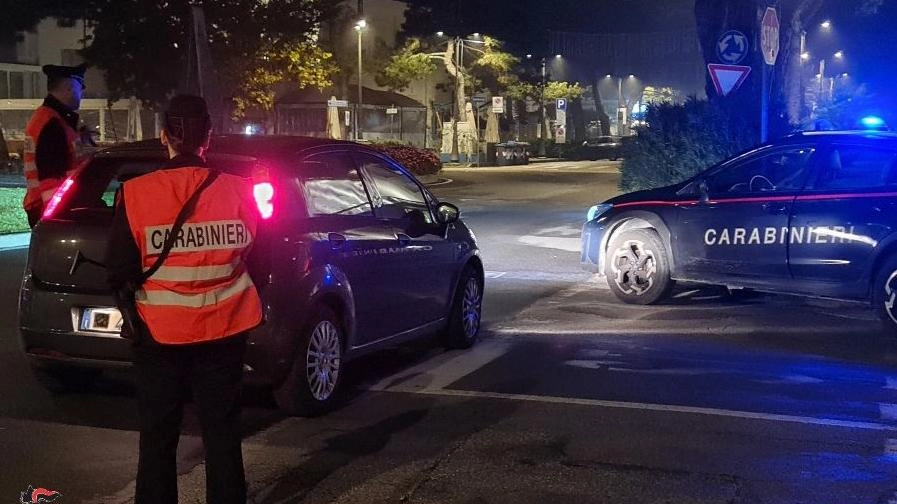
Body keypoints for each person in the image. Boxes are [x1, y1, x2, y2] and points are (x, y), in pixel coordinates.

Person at [106, 95, 266, 504]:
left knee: (159, 435)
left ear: (165, 136)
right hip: (225, 328)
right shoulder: (240, 191)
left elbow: (119, 270)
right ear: (207, 138)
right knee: (222, 431)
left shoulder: (136, 193)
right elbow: (258, 257)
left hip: (159, 334)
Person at [22, 63, 89, 227]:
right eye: (80, 88)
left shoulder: (48, 118)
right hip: (52, 212)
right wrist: (56, 220)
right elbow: (50, 180)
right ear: (69, 87)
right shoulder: (52, 124)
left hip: (41, 207)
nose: (82, 93)